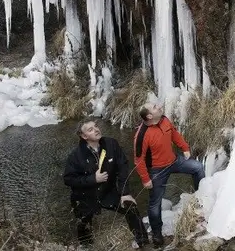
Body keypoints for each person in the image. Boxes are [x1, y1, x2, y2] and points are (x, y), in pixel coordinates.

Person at [63, 118, 149, 248]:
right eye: (90, 129)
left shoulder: (111, 144)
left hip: (107, 191)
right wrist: (93, 179)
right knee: (84, 227)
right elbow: (68, 179)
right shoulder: (75, 156)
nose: (96, 129)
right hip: (85, 196)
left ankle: (143, 242)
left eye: (96, 126)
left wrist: (125, 193)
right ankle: (87, 247)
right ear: (84, 136)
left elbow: (123, 167)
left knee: (130, 207)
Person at [134, 102, 205, 246]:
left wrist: (184, 148)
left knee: (197, 168)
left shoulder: (164, 119)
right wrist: (145, 179)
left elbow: (174, 134)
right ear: (149, 116)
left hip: (174, 161)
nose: (159, 106)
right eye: (155, 107)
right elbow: (138, 160)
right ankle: (157, 234)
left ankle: (201, 201)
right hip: (156, 170)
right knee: (155, 203)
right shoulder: (141, 135)